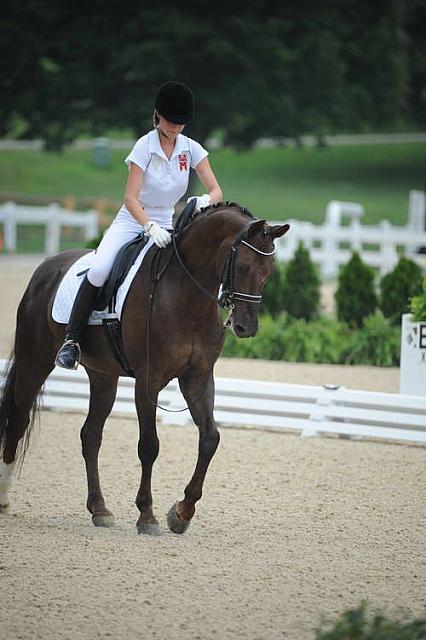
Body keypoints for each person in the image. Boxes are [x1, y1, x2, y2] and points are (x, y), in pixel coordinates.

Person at [55, 81, 223, 370]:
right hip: (132, 221)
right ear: (158, 116)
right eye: (170, 121)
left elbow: (218, 190)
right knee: (99, 268)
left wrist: (206, 200)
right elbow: (130, 198)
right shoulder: (144, 147)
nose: (175, 128)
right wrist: (149, 227)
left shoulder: (191, 149)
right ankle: (71, 340)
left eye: (181, 123)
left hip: (168, 222)